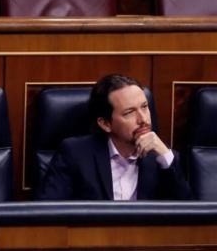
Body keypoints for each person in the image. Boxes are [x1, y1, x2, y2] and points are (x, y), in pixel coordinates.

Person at [36, 74, 192, 200]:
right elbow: (48, 214)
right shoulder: (75, 154)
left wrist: (165, 157)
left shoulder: (160, 160)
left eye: (144, 107)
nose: (143, 119)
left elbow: (191, 220)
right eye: (129, 112)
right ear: (105, 124)